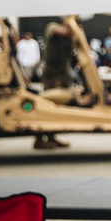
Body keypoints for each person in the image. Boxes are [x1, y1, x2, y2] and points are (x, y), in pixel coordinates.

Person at [36, 21, 74, 149]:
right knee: (49, 103)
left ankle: (52, 136)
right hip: (52, 71)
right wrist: (72, 29)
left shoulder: (68, 33)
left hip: (62, 70)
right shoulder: (52, 26)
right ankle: (39, 138)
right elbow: (60, 32)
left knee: (59, 105)